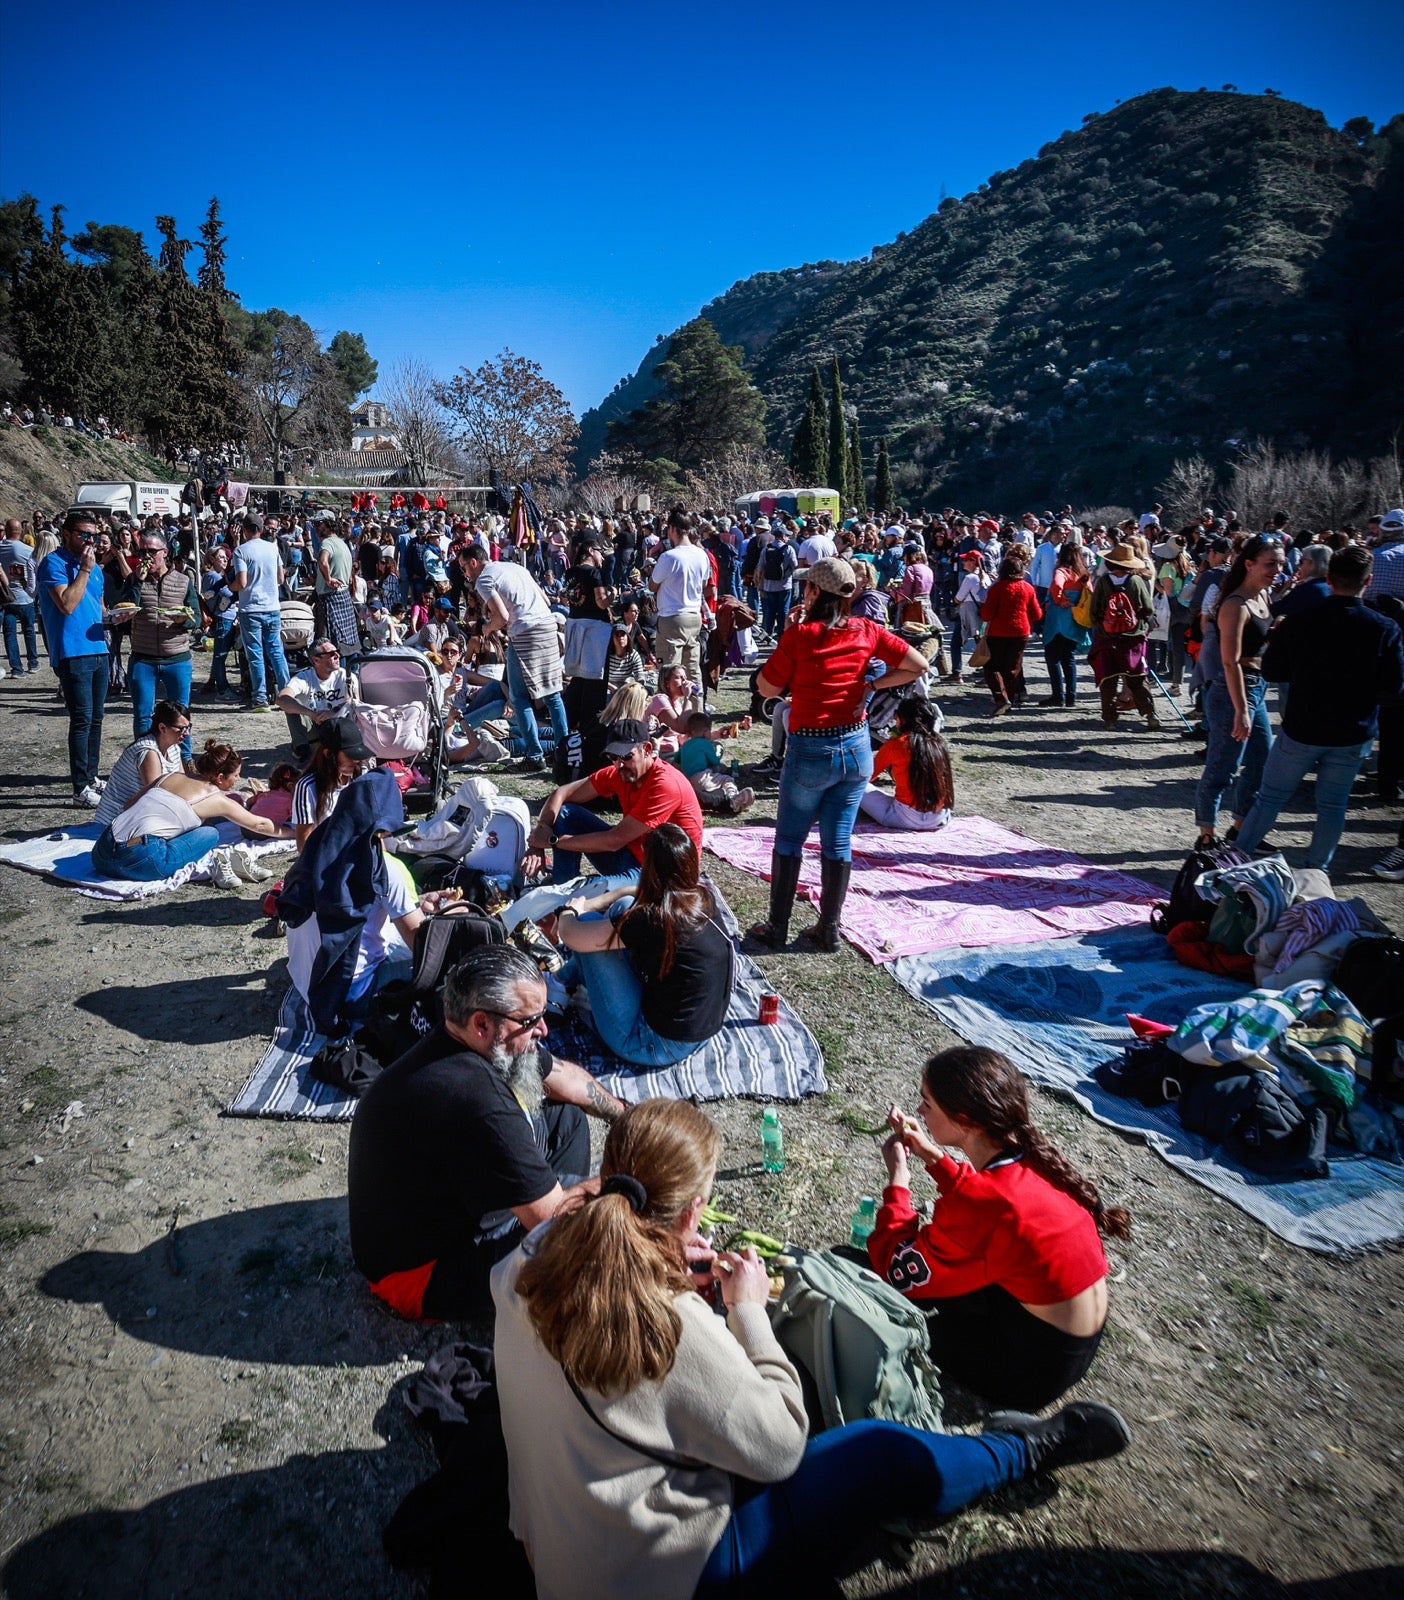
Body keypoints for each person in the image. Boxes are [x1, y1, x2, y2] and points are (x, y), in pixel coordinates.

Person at [493, 1097, 1131, 1600]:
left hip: (554, 1548)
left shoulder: (523, 1262)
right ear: (693, 1214)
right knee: (880, 1454)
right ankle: (1020, 1449)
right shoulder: (672, 1325)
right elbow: (777, 1449)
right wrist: (746, 1315)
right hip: (657, 1579)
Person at [348, 944, 626, 1319]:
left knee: (566, 1119)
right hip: (419, 1278)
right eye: (531, 1021)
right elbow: (555, 1219)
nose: (543, 1029)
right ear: (482, 1023)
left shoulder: (469, 1039)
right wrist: (628, 1185)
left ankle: (537, 1198)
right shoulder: (476, 1099)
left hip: (434, 1212)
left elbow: (565, 1078)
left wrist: (629, 1120)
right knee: (588, 1245)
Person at [871, 1045, 1129, 1412]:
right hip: (1069, 1345)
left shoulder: (985, 1203)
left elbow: (899, 1270)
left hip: (1026, 1374)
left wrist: (898, 1177)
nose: (919, 1112)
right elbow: (985, 1202)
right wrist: (931, 1153)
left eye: (927, 1103)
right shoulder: (1034, 1158)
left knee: (894, 1303)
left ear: (964, 1121)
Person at [751, 559, 928, 951]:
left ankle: (777, 927)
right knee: (838, 841)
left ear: (814, 592)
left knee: (790, 840)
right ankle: (828, 928)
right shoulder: (866, 630)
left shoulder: (801, 635)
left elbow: (766, 688)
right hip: (855, 745)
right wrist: (871, 686)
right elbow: (919, 665)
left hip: (810, 747)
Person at [1232, 546, 1404, 871]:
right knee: (1332, 806)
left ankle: (1236, 860)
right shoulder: (1384, 628)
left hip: (1303, 726)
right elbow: (1393, 687)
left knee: (1269, 798)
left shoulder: (1299, 622)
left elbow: (1273, 671)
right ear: (1367, 581)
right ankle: (1316, 871)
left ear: (1328, 578)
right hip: (1353, 731)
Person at [554, 824, 733, 1067]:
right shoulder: (701, 897)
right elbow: (634, 892)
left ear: (649, 868)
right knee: (624, 903)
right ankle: (563, 980)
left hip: (648, 1043)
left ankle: (558, 984)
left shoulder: (652, 919)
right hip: (702, 1031)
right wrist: (604, 900)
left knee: (588, 924)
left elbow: (572, 936)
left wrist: (570, 910)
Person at [524, 718, 704, 888]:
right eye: (613, 757)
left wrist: (552, 841)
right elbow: (561, 793)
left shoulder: (664, 784)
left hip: (664, 877)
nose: (619, 764)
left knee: (593, 895)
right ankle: (562, 886)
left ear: (647, 749)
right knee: (566, 813)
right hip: (633, 857)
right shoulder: (619, 773)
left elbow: (614, 841)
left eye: (626, 756)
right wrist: (538, 839)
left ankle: (567, 896)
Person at [92, 739, 292, 886]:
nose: (238, 780)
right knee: (210, 833)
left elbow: (129, 805)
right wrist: (294, 832)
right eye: (236, 775)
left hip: (101, 853)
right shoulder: (216, 798)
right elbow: (260, 825)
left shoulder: (169, 776)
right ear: (220, 777)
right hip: (141, 859)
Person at [1193, 534, 1286, 847]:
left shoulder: (1264, 596)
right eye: (1270, 564)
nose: (1278, 569)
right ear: (1249, 564)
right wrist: (1242, 710)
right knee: (1223, 767)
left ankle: (1240, 828)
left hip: (1257, 687)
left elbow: (1257, 643)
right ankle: (1206, 836)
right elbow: (1230, 662)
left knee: (1262, 761)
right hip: (1235, 690)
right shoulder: (1235, 604)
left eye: (1280, 563)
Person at [458, 543, 568, 775]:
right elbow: (546, 601)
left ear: (474, 563)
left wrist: (488, 628)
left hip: (525, 632)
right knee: (552, 695)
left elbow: (502, 616)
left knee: (518, 698)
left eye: (464, 568)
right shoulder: (514, 567)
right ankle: (565, 751)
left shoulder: (484, 580)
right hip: (547, 626)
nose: (465, 574)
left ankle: (534, 755)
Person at [37, 509, 109, 805]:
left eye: (93, 534)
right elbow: (66, 604)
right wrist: (84, 570)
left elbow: (99, 607)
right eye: (84, 534)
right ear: (66, 534)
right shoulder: (53, 563)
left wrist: (114, 617)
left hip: (98, 647)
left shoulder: (95, 569)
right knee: (81, 718)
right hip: (72, 651)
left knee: (96, 718)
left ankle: (91, 776)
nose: (90, 540)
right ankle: (80, 786)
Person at [119, 530, 199, 754]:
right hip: (143, 657)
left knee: (180, 714)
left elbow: (198, 618)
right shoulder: (134, 580)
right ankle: (145, 758)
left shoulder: (183, 581)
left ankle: (184, 759)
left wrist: (184, 620)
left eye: (151, 552)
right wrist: (138, 581)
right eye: (142, 551)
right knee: (144, 714)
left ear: (164, 552)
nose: (146, 556)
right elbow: (126, 608)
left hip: (177, 658)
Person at [1087, 541, 1159, 732]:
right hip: (1132, 638)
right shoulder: (1137, 581)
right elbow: (1148, 609)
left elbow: (1094, 611)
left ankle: (1110, 719)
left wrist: (1101, 626)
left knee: (1108, 680)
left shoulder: (1103, 582)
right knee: (1137, 678)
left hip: (1107, 637)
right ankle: (1150, 714)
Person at [858, 697, 953, 829]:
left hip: (905, 816)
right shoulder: (939, 743)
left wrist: (892, 737)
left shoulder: (896, 744)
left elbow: (868, 776)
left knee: (856, 787)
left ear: (902, 719)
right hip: (939, 817)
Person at [229, 513, 291, 713]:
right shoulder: (272, 548)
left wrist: (231, 585)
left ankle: (260, 698)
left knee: (255, 654)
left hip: (251, 608)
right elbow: (281, 578)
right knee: (276, 652)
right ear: (262, 529)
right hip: (272, 606)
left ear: (245, 530)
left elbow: (242, 582)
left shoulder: (240, 551)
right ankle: (286, 693)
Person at [94, 699, 190, 827]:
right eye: (182, 729)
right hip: (116, 822)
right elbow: (156, 796)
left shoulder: (173, 747)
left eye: (189, 727)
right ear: (162, 728)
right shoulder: (148, 752)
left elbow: (181, 784)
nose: (187, 733)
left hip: (140, 815)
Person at [650, 508, 713, 693]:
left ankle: (669, 716)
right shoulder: (702, 555)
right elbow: (703, 585)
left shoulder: (669, 557)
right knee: (692, 671)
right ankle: (696, 714)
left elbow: (653, 585)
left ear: (672, 528)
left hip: (671, 617)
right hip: (694, 615)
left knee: (669, 672)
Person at [276, 637, 361, 760]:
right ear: (316, 660)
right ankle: (302, 750)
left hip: (339, 725)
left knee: (352, 705)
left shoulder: (346, 676)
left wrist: (332, 713)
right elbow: (281, 699)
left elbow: (355, 701)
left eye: (337, 651)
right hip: (315, 725)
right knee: (291, 705)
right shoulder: (305, 677)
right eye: (331, 654)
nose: (337, 655)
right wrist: (311, 714)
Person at [978, 556, 1043, 715]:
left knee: (992, 667)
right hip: (1020, 632)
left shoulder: (997, 588)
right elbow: (1037, 614)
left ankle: (1001, 698)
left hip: (998, 632)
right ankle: (1010, 700)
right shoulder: (1027, 588)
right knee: (1013, 668)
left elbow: (987, 614)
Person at [1041, 542, 1091, 707]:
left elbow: (1056, 585)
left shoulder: (1062, 571)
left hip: (1058, 621)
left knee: (1053, 657)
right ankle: (1071, 696)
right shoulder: (1083, 574)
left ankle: (1058, 695)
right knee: (1068, 658)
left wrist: (1060, 599)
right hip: (1075, 621)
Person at [677, 711, 755, 816]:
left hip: (689, 781)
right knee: (726, 780)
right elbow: (715, 761)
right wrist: (716, 755)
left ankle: (729, 800)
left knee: (714, 788)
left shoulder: (685, 745)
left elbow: (676, 759)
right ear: (705, 732)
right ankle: (734, 798)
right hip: (702, 776)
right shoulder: (705, 743)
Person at [0, 516, 40, 677]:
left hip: (5, 597)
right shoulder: (27, 550)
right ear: (21, 531)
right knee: (29, 630)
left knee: (9, 634)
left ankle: (16, 668)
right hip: (25, 596)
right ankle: (33, 662)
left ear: (6, 531)